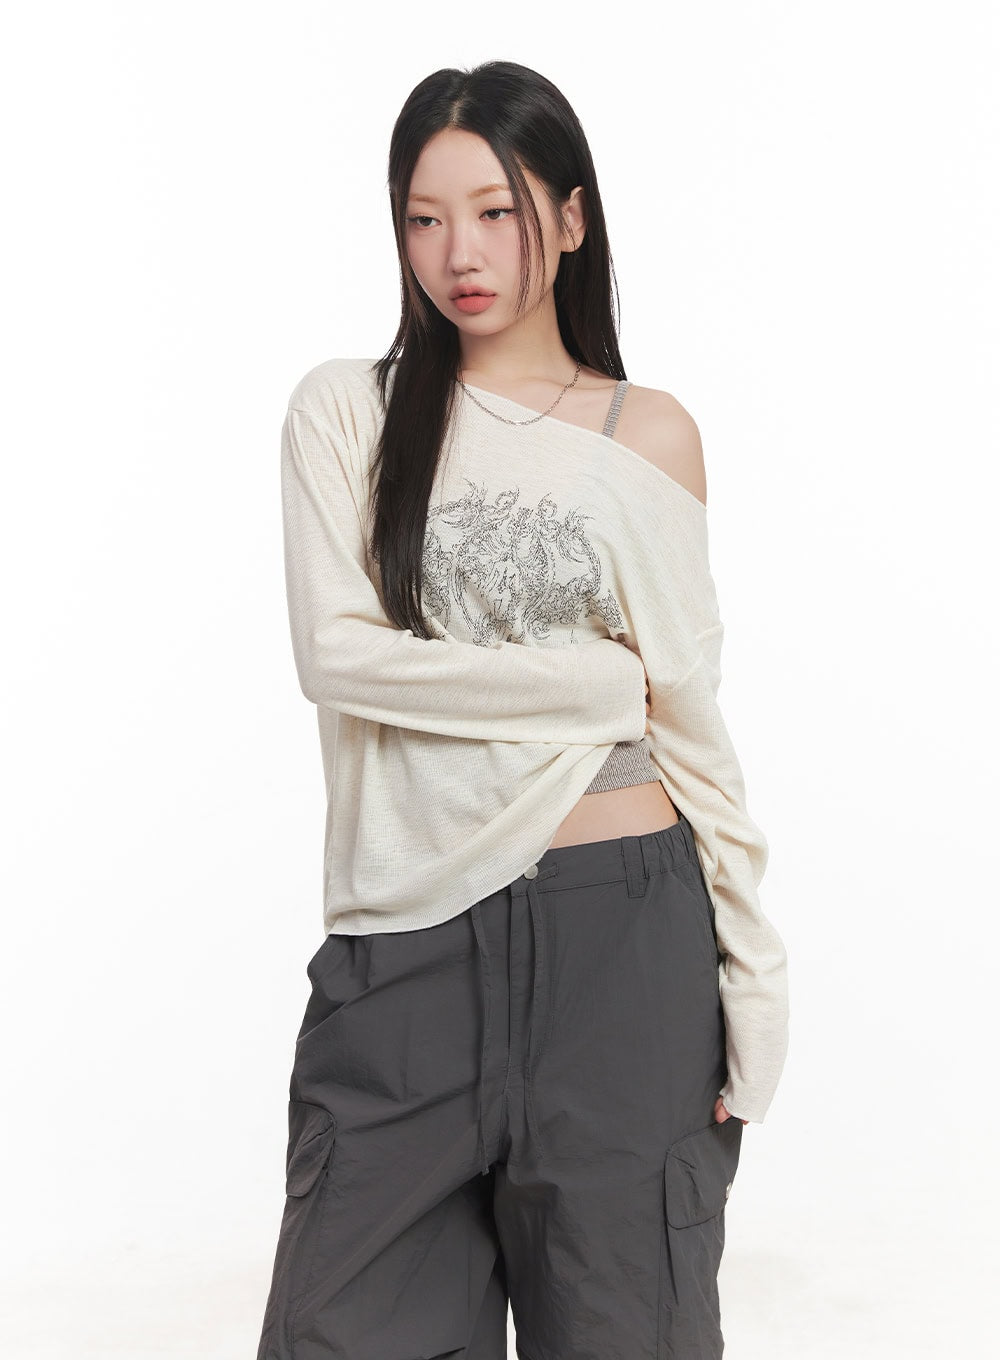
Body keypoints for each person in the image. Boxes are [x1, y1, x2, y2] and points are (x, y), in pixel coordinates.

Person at [256, 59, 789, 1360]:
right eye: (425, 217)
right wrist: (589, 684)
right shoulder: (349, 412)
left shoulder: (645, 436)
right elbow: (338, 657)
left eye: (495, 211)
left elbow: (689, 719)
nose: (460, 252)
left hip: (626, 948)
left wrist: (756, 977)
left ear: (569, 216)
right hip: (407, 951)